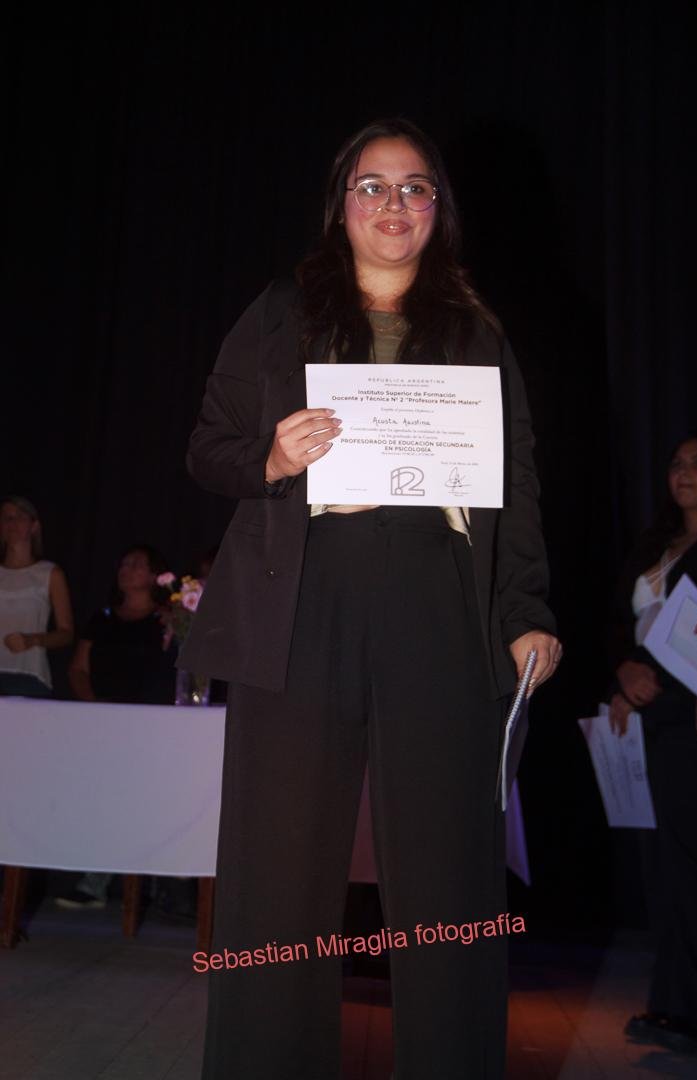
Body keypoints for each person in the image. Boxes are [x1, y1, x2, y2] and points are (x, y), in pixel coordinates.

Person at [179, 118, 561, 1080]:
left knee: (449, 873)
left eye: (415, 187)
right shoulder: (281, 311)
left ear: (439, 208)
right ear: (341, 203)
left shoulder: (474, 331)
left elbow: (516, 484)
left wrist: (524, 611)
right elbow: (209, 448)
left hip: (438, 601)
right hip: (303, 599)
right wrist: (272, 457)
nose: (395, 204)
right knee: (276, 870)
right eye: (373, 186)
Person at [609, 430, 697, 1053]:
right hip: (650, 718)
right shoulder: (655, 543)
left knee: (695, 867)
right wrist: (624, 673)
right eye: (676, 463)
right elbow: (624, 626)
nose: (684, 472)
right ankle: (676, 1004)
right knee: (668, 869)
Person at [56, 544, 177, 910]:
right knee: (103, 802)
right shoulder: (103, 618)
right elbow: (78, 668)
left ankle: (154, 886)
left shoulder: (169, 619)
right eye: (124, 563)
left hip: (151, 725)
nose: (127, 568)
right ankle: (97, 881)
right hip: (105, 722)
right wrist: (94, 705)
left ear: (154, 575)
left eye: (136, 564)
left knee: (144, 804)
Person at [0, 495, 73, 697]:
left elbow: (66, 633)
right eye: (7, 518)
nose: (12, 523)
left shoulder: (49, 573)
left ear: (34, 526)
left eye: (20, 517)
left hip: (28, 675)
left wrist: (31, 640)